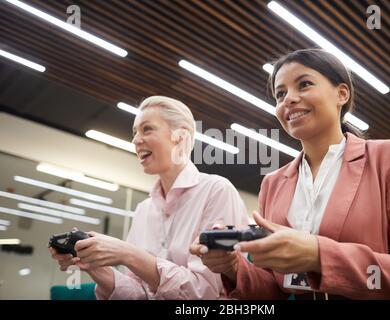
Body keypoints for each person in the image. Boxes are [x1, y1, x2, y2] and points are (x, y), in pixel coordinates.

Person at [191, 48, 390, 299]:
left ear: (342, 94)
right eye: (280, 94)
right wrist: (232, 267)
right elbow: (274, 288)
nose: (288, 99)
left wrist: (319, 256)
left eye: (304, 84)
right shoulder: (272, 183)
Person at [49, 96, 249, 299]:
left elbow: (205, 293)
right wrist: (94, 266)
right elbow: (137, 294)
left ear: (180, 136)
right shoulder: (145, 209)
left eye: (147, 129)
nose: (135, 140)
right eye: (134, 132)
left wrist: (128, 254)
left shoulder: (216, 191)